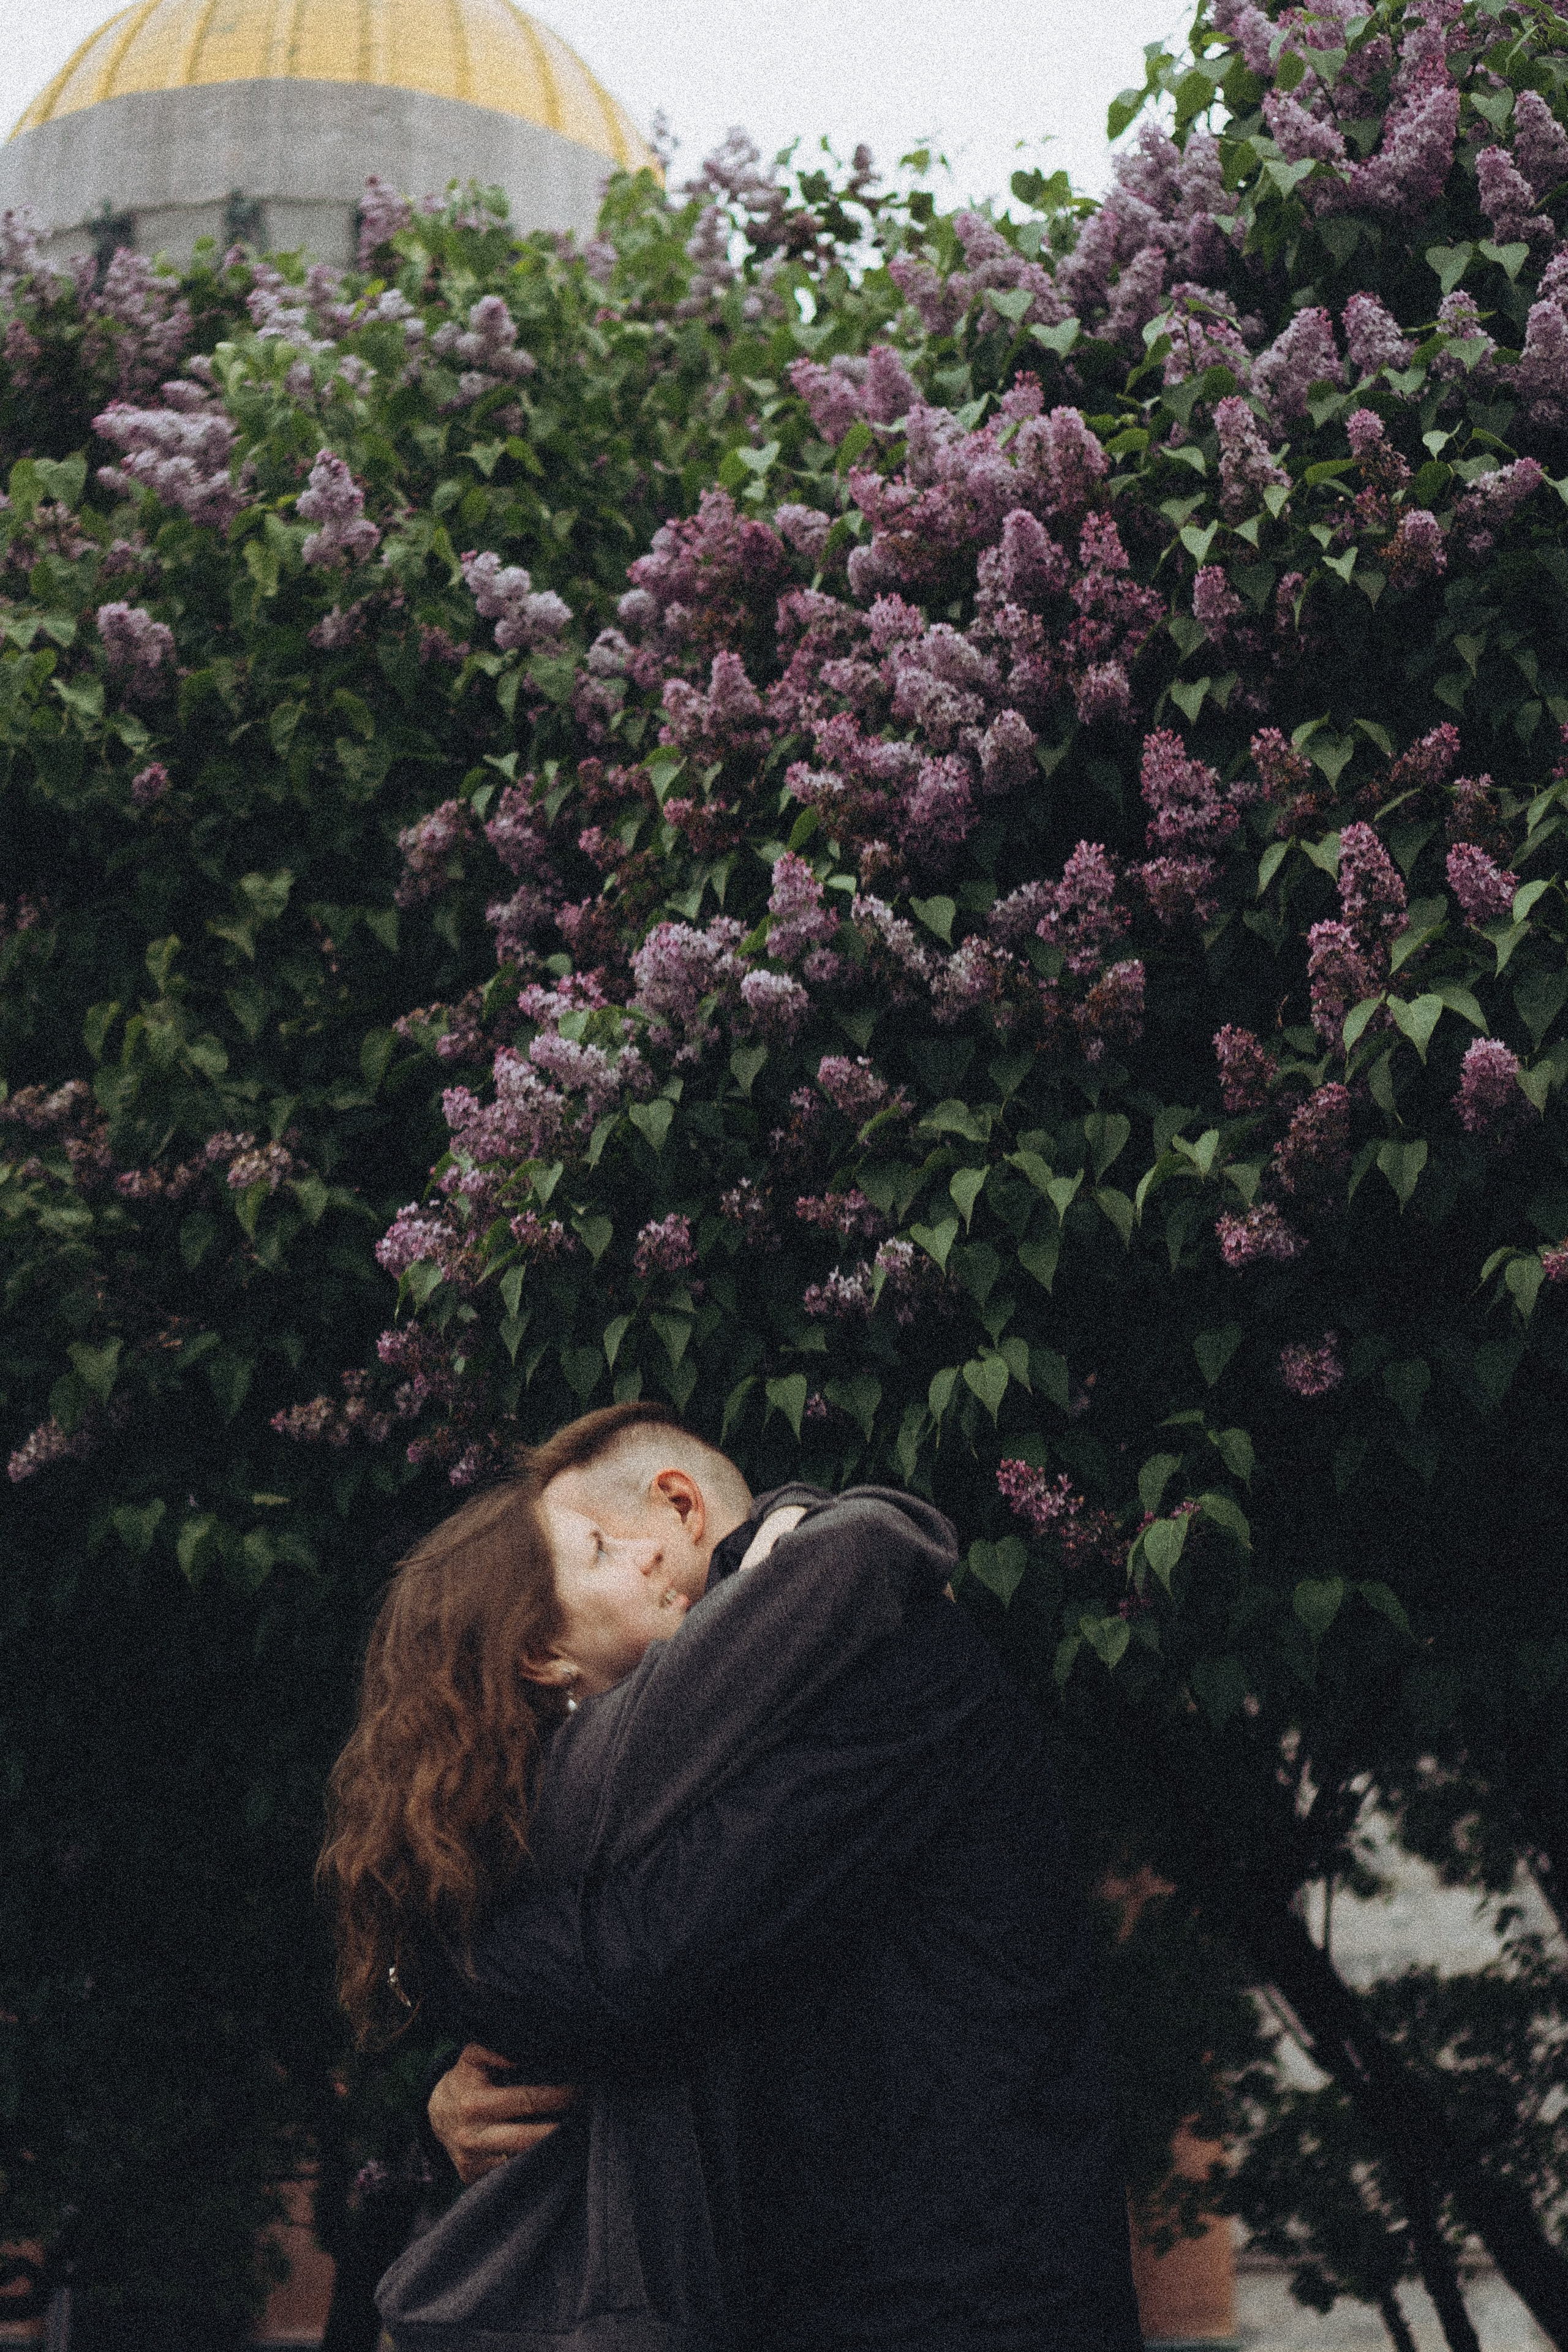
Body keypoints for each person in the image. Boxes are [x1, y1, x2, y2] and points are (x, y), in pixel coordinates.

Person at [412, 1403, 1144, 2352]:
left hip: (967, 2303)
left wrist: (428, 1961)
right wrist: (464, 2092)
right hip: (845, 2299)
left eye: (595, 1546)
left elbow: (640, 1959)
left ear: (680, 1508)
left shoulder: (876, 1653)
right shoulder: (712, 1737)